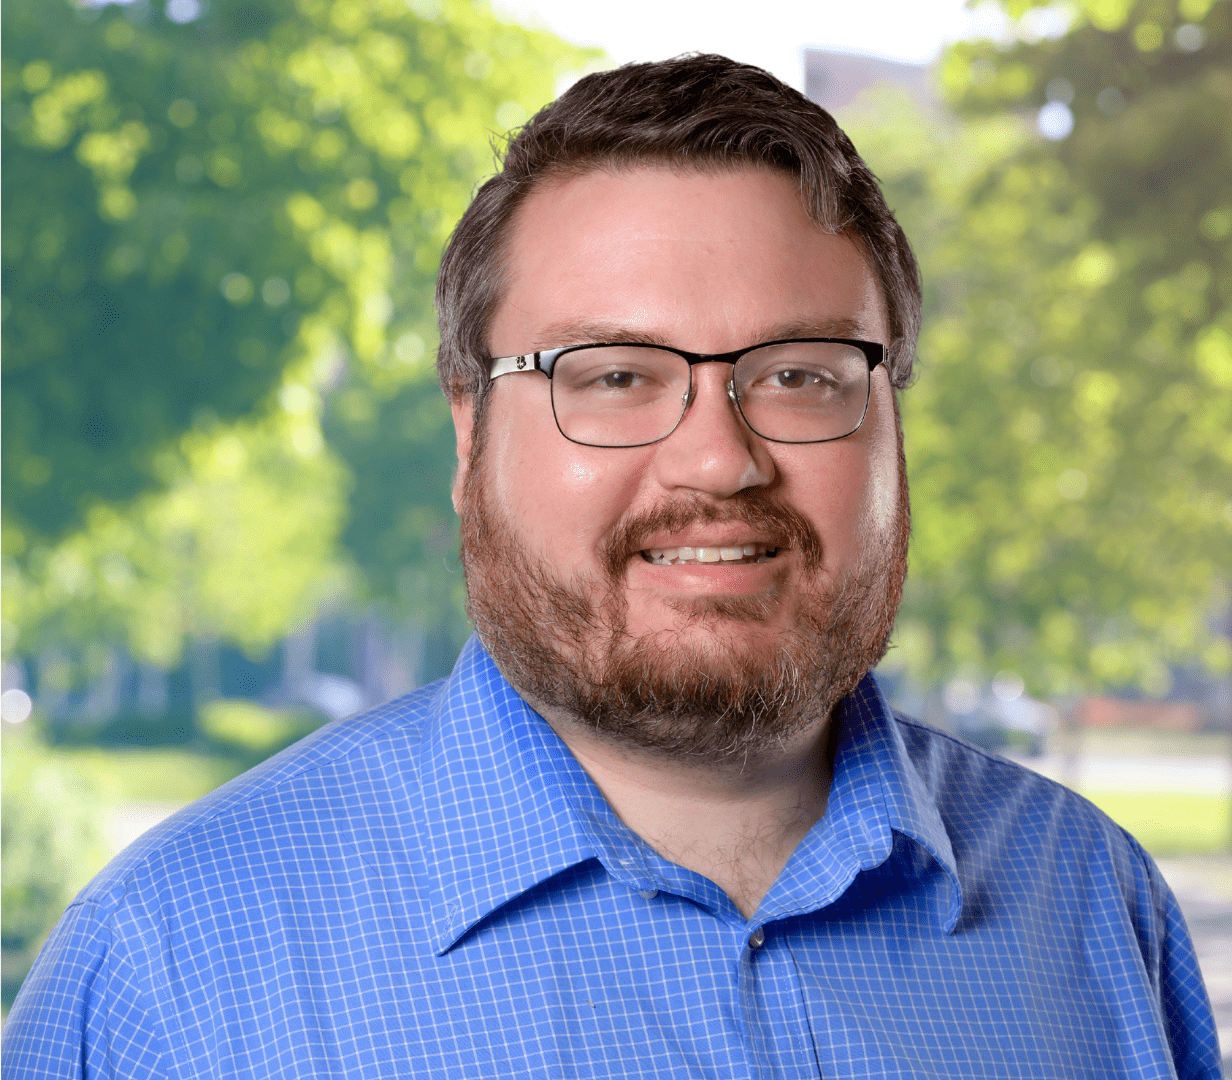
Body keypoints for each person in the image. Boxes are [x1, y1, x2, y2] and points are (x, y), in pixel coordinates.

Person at [4, 55, 1220, 1079]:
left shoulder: (1093, 911)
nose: (716, 459)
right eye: (613, 375)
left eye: (799, 373)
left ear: (892, 426)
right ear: (470, 435)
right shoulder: (168, 972)